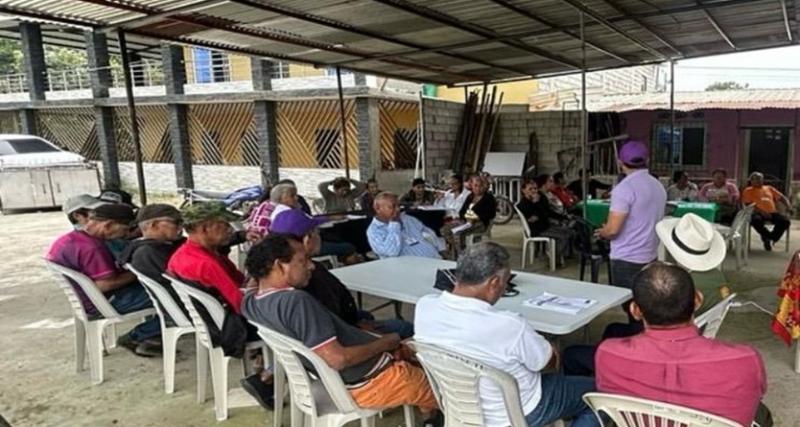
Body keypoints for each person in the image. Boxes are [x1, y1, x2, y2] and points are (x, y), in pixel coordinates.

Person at [242, 234, 440, 422]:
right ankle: (435, 412)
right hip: (372, 381)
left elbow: (252, 283)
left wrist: (261, 259)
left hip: (353, 374)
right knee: (443, 387)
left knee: (415, 353)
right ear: (279, 265)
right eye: (303, 260)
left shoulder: (251, 303)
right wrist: (385, 343)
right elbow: (338, 359)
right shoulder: (296, 302)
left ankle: (430, 416)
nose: (311, 266)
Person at [414, 242, 599, 427]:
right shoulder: (509, 324)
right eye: (505, 282)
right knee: (602, 397)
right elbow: (547, 363)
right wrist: (548, 346)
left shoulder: (424, 306)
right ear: (494, 282)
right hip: (519, 410)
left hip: (458, 407)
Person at [595, 262, 771, 427]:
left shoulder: (608, 354)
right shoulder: (745, 359)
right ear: (697, 300)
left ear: (635, 310)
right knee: (761, 412)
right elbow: (756, 394)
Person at [563, 213, 727, 377]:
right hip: (687, 332)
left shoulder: (676, 283)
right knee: (613, 329)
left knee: (572, 354)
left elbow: (651, 314)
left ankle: (609, 369)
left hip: (664, 338)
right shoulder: (717, 276)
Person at [166, 201, 274, 409]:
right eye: (224, 224)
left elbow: (238, 282)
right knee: (297, 317)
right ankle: (267, 380)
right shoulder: (205, 263)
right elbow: (242, 304)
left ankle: (265, 367)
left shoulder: (183, 255)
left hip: (215, 321)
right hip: (232, 327)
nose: (230, 230)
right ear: (204, 228)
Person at [271, 209, 414, 338]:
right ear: (307, 239)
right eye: (316, 231)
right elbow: (331, 322)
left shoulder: (279, 276)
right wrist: (361, 330)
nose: (319, 236)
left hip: (344, 320)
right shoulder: (307, 275)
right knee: (404, 327)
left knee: (366, 315)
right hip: (345, 332)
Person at [46, 204, 161, 357]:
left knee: (161, 289)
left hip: (86, 299)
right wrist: (138, 272)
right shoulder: (92, 248)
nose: (125, 234)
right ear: (108, 225)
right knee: (174, 296)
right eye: (125, 229)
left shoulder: (68, 239)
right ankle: (137, 336)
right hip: (103, 303)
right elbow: (104, 285)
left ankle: (154, 335)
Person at [596, 140, 666, 319]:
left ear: (620, 162)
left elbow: (613, 230)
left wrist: (602, 232)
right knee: (646, 305)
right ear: (647, 160)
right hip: (650, 255)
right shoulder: (657, 186)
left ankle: (638, 336)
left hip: (627, 258)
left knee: (632, 309)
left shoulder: (624, 189)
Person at [118, 204, 187, 318]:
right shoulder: (148, 252)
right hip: (183, 308)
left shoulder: (159, 246)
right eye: (176, 222)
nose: (181, 227)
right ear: (153, 225)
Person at [367, 192, 443, 259]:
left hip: (435, 260)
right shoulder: (374, 231)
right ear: (377, 208)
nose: (398, 209)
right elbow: (392, 252)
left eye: (399, 206)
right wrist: (394, 224)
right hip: (412, 268)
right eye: (392, 206)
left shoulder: (407, 219)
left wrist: (441, 249)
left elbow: (428, 232)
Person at [516, 179, 574, 262]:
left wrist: (563, 217)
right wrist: (536, 205)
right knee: (564, 236)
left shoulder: (538, 199)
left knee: (569, 231)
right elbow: (539, 216)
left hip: (545, 225)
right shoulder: (523, 204)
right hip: (538, 230)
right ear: (524, 190)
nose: (534, 191)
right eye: (530, 189)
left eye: (535, 188)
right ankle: (553, 259)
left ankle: (561, 255)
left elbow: (546, 213)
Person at [441, 175, 497, 260]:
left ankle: (461, 257)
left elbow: (491, 214)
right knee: (444, 230)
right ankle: (459, 251)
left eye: (480, 186)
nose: (478, 188)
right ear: (472, 187)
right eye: (475, 186)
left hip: (480, 223)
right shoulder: (470, 196)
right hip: (466, 221)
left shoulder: (489, 198)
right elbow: (462, 211)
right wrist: (462, 218)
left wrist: (476, 218)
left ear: (484, 187)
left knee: (457, 233)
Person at [741, 172, 792, 251]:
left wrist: (789, 207)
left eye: (760, 179)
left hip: (772, 212)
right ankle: (767, 236)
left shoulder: (769, 188)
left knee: (785, 221)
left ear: (763, 180)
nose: (758, 181)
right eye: (755, 179)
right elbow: (748, 204)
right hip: (757, 212)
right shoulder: (748, 190)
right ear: (751, 181)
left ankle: (771, 237)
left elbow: (782, 198)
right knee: (756, 221)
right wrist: (762, 212)